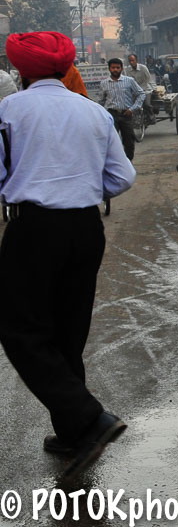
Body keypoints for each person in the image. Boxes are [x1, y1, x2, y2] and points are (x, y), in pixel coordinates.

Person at [0, 31, 136, 481]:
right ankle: (74, 432)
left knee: (19, 330)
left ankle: (91, 418)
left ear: (22, 71)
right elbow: (122, 177)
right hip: (85, 229)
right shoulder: (95, 113)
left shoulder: (8, 111)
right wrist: (77, 189)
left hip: (33, 228)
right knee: (68, 333)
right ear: (65, 68)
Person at [100, 57, 144, 161]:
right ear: (109, 69)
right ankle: (115, 164)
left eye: (117, 67)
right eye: (113, 67)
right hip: (111, 115)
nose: (115, 70)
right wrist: (102, 114)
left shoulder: (129, 81)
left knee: (129, 141)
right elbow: (101, 100)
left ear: (121, 68)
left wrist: (132, 109)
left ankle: (128, 163)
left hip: (126, 114)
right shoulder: (104, 83)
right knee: (112, 141)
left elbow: (141, 94)